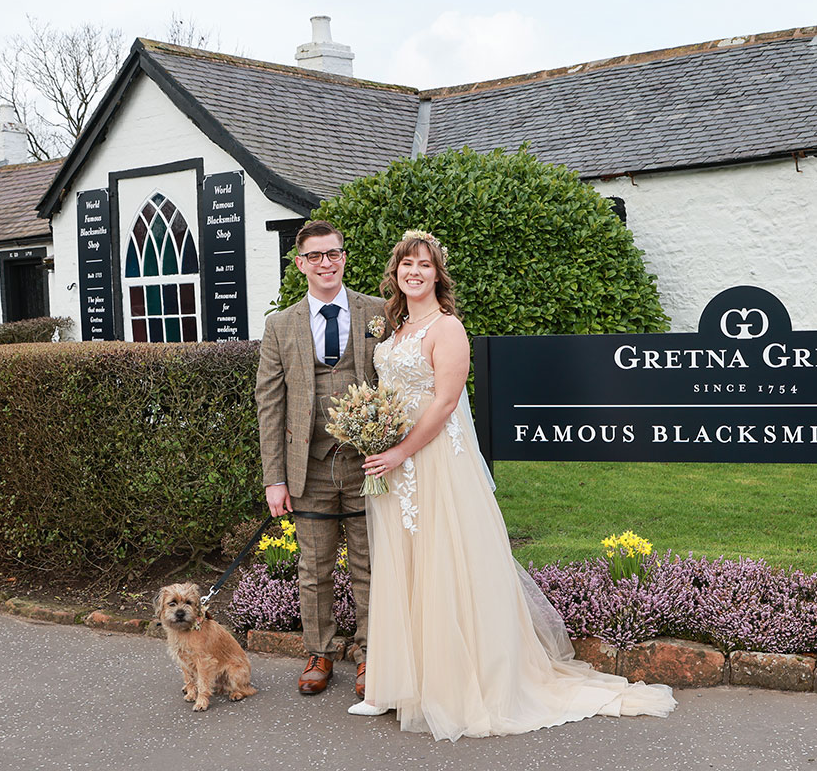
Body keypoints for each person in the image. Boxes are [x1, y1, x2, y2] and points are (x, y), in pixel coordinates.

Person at [351, 230, 676, 740]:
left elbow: (442, 404)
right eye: (406, 265)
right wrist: (374, 433)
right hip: (397, 467)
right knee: (403, 564)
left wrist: (399, 450)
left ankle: (455, 685)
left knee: (444, 565)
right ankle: (398, 686)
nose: (414, 272)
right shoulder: (393, 332)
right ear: (395, 274)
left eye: (424, 265)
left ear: (438, 274)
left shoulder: (447, 328)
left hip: (435, 460)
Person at [255, 220, 387, 699]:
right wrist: (275, 478)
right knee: (314, 568)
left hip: (367, 462)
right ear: (300, 264)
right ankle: (319, 650)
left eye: (333, 253)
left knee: (372, 564)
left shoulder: (378, 312)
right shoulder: (280, 325)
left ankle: (372, 652)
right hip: (306, 465)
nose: (325, 263)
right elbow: (269, 403)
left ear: (343, 257)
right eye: (315, 256)